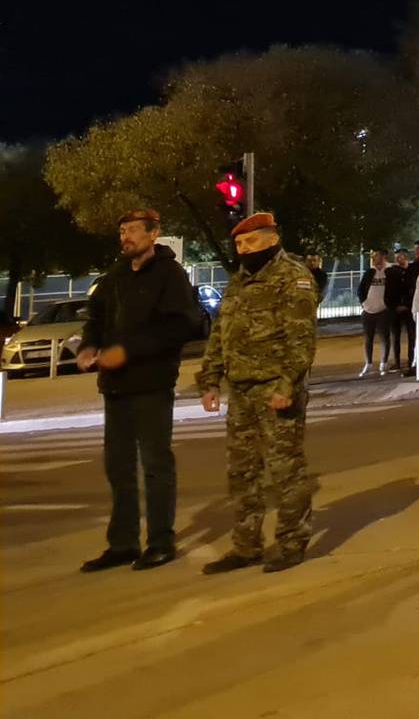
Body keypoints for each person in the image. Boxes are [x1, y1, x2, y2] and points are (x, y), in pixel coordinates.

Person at [75, 208, 203, 572]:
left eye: (132, 230)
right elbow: (96, 317)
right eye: (122, 232)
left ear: (153, 234)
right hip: (115, 388)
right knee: (118, 467)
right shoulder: (115, 275)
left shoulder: (170, 275)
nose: (125, 237)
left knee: (155, 466)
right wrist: (89, 346)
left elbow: (181, 326)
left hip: (151, 384)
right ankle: (123, 543)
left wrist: (126, 352)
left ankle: (161, 540)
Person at [196, 213, 319, 574]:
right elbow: (222, 333)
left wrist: (286, 387)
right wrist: (210, 380)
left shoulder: (292, 277)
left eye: (251, 242)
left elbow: (301, 340)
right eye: (239, 244)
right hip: (241, 391)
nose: (244, 249)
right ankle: (246, 545)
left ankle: (292, 541)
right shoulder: (239, 282)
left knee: (286, 470)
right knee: (243, 473)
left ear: (271, 239)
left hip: (275, 390)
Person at [357, 251, 394, 377]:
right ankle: (368, 364)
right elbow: (361, 289)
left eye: (377, 257)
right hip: (368, 310)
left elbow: (394, 288)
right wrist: (364, 303)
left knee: (384, 338)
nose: (374, 259)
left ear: (383, 257)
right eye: (373, 257)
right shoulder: (369, 272)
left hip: (383, 310)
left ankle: (384, 363)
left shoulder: (389, 271)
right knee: (368, 339)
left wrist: (389, 304)